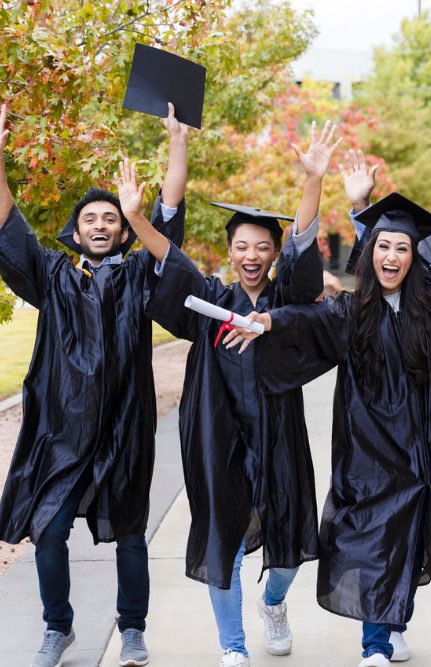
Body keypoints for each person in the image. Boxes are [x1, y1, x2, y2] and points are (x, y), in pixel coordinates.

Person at [231, 139, 431, 667]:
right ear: (369, 254)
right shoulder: (351, 311)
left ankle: (392, 618)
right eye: (383, 247)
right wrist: (265, 320)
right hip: (368, 450)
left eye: (403, 249)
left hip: (426, 448)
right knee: (372, 539)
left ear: (414, 257)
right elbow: (302, 321)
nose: (392, 256)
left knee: (409, 540)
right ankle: (375, 646)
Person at [0, 101, 191, 667]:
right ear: (76, 229)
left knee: (132, 533)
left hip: (122, 424)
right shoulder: (54, 275)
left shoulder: (141, 274)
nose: (100, 225)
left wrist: (176, 143)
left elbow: (167, 213)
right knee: (49, 528)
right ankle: (57, 626)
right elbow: (5, 224)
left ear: (122, 230)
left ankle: (133, 628)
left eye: (111, 219)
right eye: (91, 218)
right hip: (61, 429)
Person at [118, 121, 341, 667]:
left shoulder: (285, 298)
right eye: (241, 245)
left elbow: (305, 251)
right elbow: (170, 260)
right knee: (225, 540)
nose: (251, 254)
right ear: (230, 251)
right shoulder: (210, 300)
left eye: (261, 246)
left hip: (277, 434)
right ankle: (233, 647)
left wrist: (312, 182)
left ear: (271, 254)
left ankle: (273, 604)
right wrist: (135, 217)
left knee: (290, 544)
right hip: (216, 436)